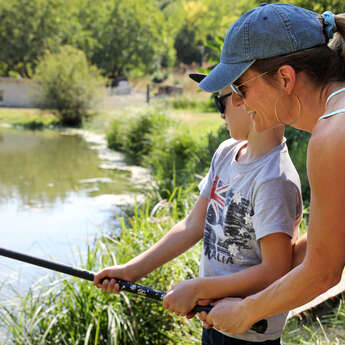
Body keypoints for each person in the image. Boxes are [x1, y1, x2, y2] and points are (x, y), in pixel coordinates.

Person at [193, 2, 345, 335]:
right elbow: (328, 239)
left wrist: (245, 312)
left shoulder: (335, 134)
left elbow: (322, 273)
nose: (237, 102)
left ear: (285, 78)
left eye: (241, 87)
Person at [94, 73, 303, 344]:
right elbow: (192, 226)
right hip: (214, 321)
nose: (220, 115)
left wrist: (198, 288)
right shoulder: (227, 153)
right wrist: (132, 270)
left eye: (220, 103)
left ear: (243, 99)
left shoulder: (274, 179)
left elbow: (274, 270)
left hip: (249, 332)